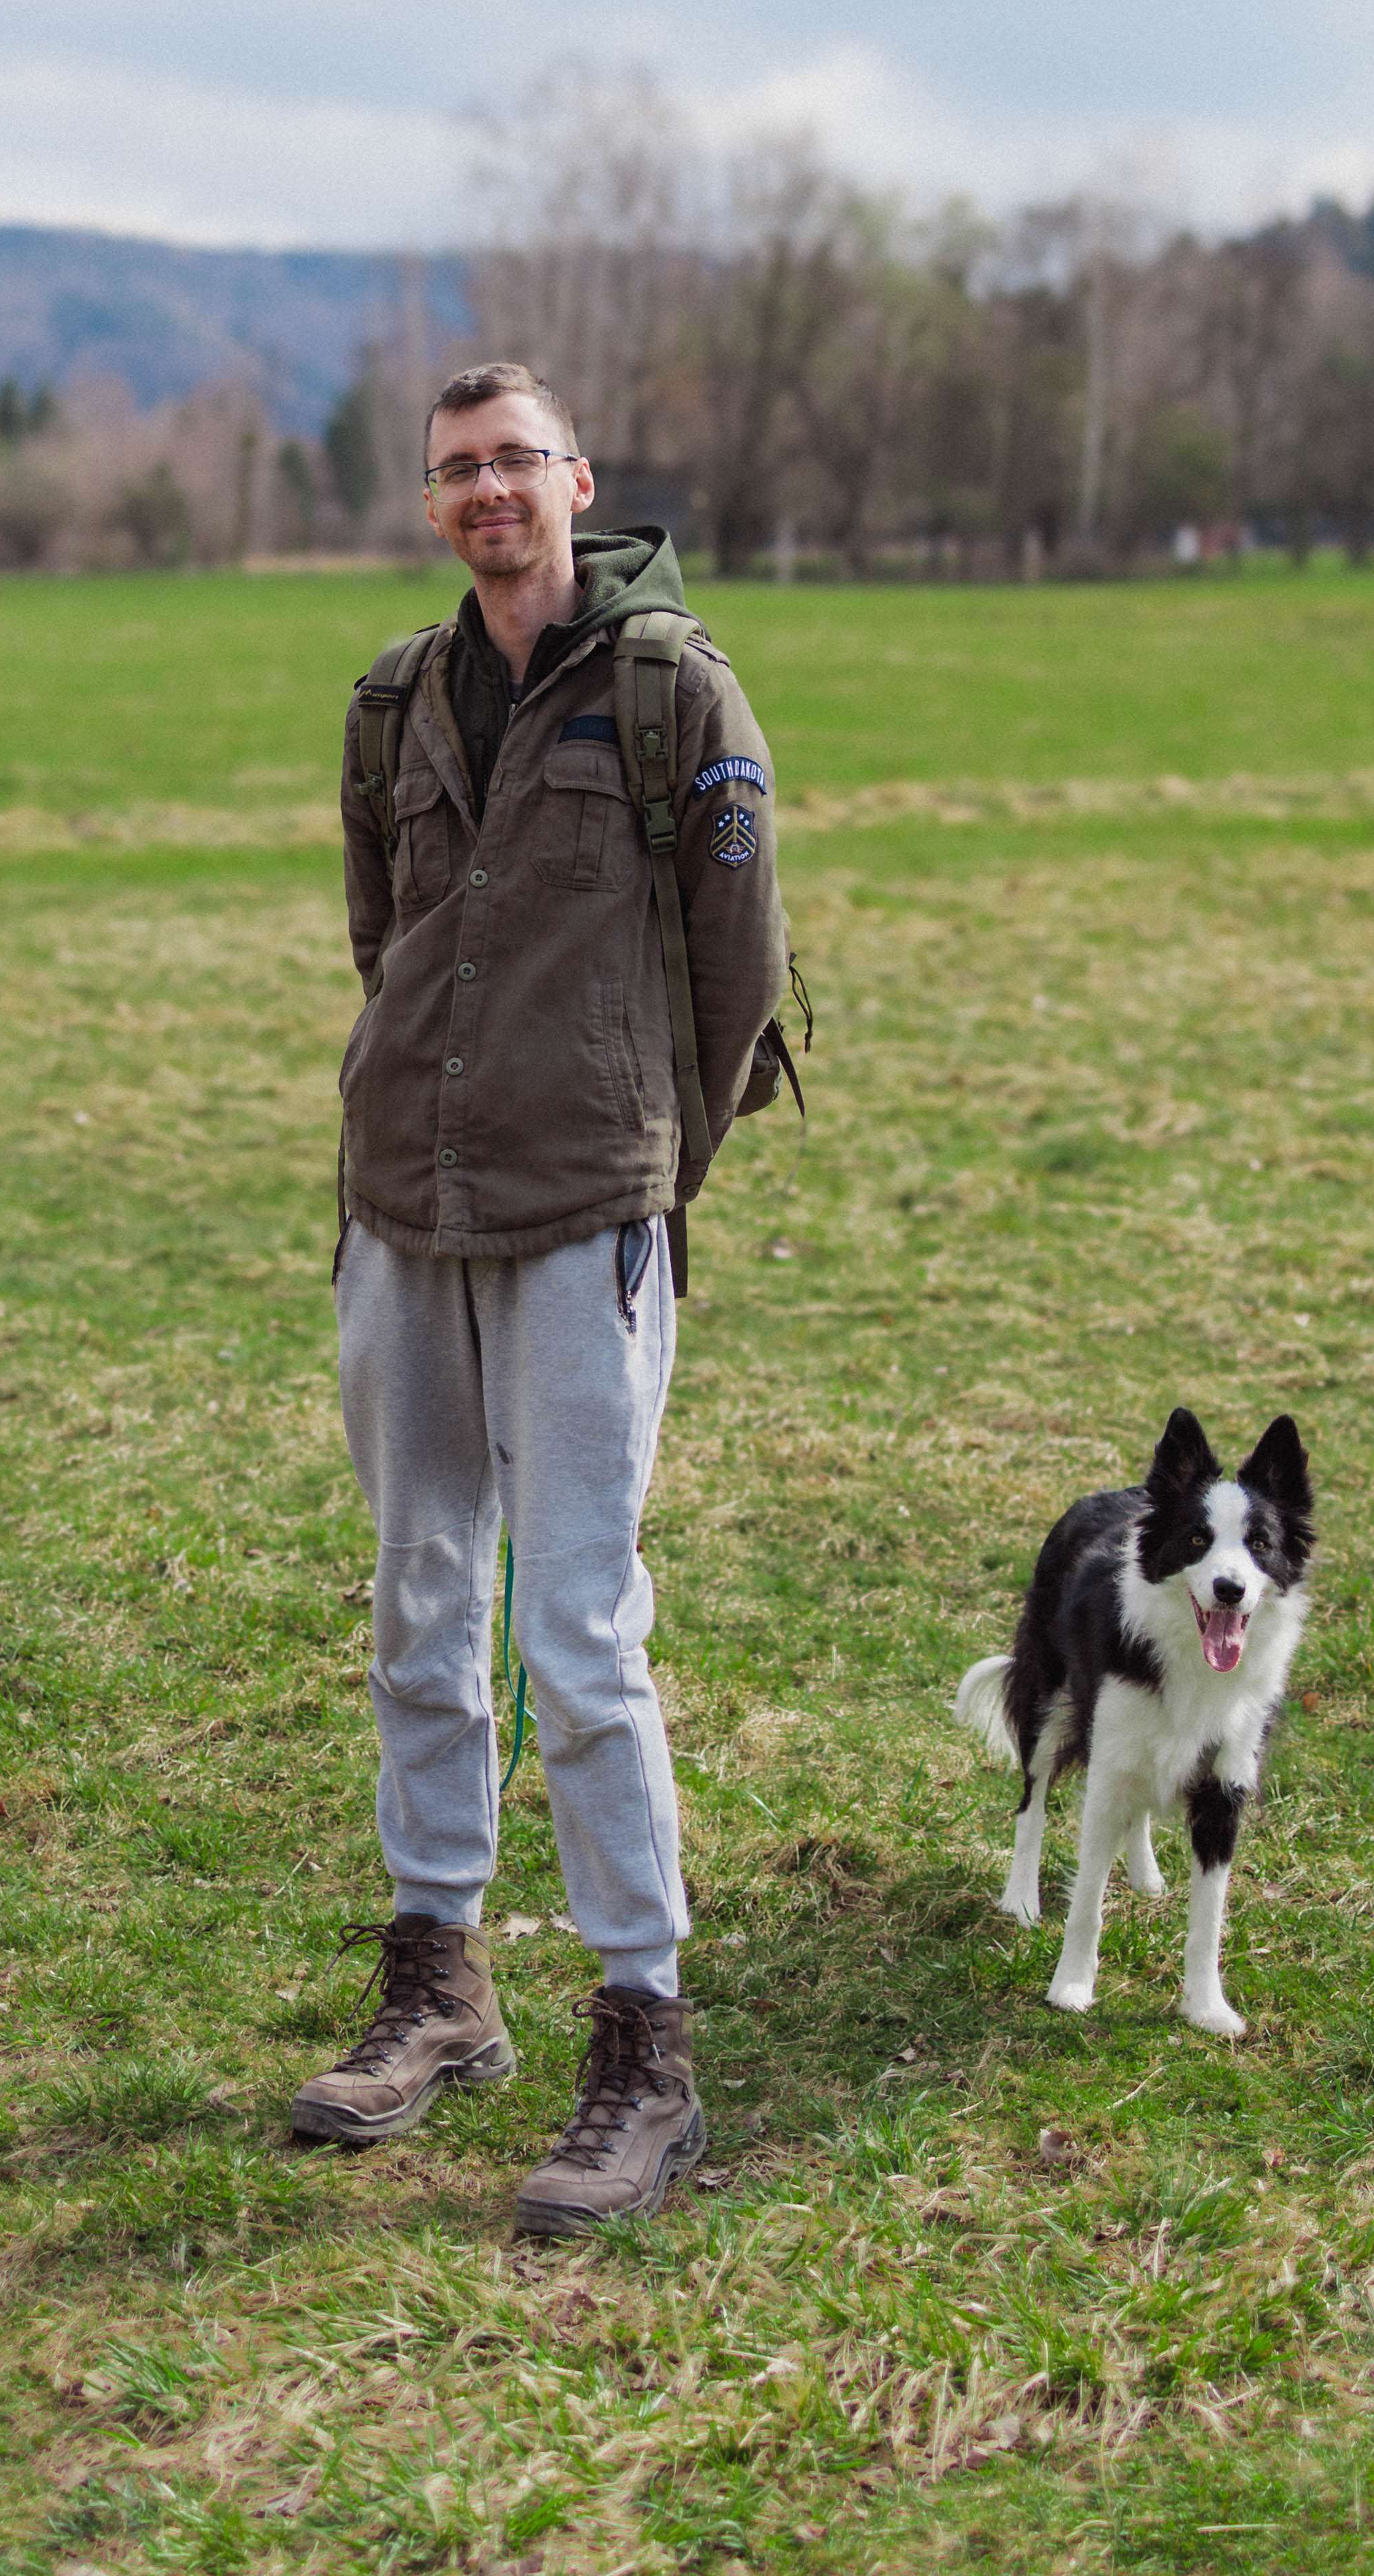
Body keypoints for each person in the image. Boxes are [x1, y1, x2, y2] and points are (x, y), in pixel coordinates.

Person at [292, 360, 790, 2235]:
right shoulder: (395, 700)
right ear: (432, 502)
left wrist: (641, 1159)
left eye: (515, 461)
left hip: (588, 1211)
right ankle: (439, 1984)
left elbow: (736, 975)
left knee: (574, 1628)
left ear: (577, 478)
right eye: (454, 471)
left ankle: (640, 2042)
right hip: (401, 1209)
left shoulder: (674, 687)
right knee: (418, 1595)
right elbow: (384, 945)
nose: (487, 492)